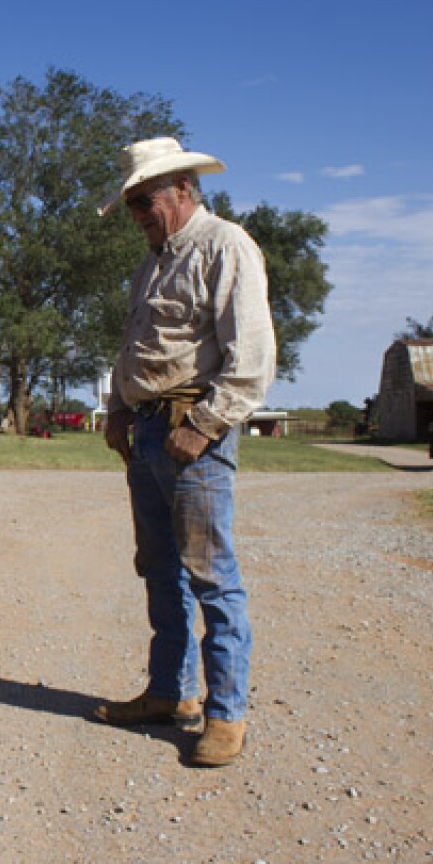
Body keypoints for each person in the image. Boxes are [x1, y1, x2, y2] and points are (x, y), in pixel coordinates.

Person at [92, 137, 276, 767]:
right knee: (160, 568)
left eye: (146, 201)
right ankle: (171, 694)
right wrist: (119, 408)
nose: (139, 213)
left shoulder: (225, 245)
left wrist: (204, 425)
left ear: (183, 190)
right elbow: (135, 347)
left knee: (210, 575)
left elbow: (251, 357)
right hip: (147, 431)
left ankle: (226, 713)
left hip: (190, 432)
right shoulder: (151, 262)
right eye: (133, 204)